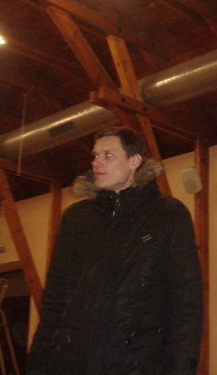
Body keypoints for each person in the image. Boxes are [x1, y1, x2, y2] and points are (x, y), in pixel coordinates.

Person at [27, 126, 203, 374]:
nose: (96, 162)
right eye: (95, 155)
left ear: (134, 161)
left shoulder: (168, 214)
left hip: (140, 363)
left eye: (107, 155)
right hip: (74, 362)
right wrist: (38, 362)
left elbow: (186, 302)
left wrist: (183, 368)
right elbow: (55, 298)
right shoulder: (76, 218)